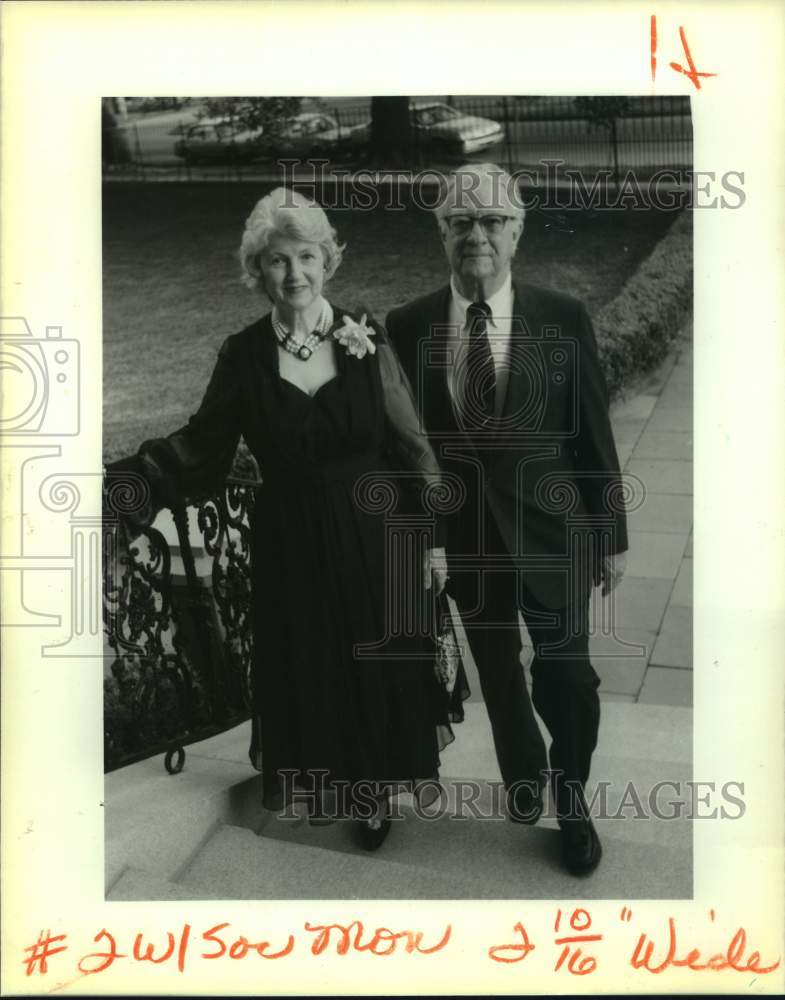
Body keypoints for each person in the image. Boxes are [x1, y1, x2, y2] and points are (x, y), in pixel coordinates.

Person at [110, 187, 461, 851]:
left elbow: (413, 447)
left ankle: (377, 791)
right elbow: (203, 444)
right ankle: (343, 780)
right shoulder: (242, 356)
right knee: (312, 660)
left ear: (327, 262)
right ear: (256, 271)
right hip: (290, 537)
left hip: (375, 530)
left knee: (376, 656)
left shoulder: (365, 337)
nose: (293, 273)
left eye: (306, 256)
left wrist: (431, 542)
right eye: (277, 260)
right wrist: (133, 478)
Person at [386, 163, 628, 875]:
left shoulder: (560, 315)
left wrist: (610, 536)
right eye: (459, 222)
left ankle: (572, 798)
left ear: (516, 231)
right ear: (441, 234)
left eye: (491, 221)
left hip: (554, 530)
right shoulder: (407, 326)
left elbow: (591, 433)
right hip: (464, 535)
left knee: (568, 676)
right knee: (495, 665)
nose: (476, 235)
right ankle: (524, 775)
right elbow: (404, 445)